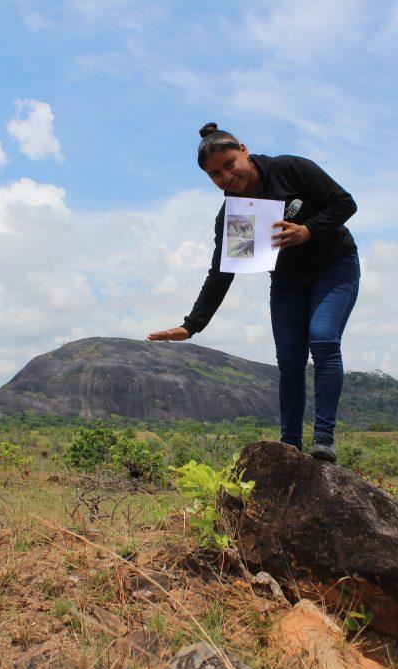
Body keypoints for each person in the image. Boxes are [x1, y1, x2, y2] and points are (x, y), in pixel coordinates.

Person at [148, 123, 360, 462]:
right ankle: (290, 447)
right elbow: (222, 271)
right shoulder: (236, 214)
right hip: (289, 282)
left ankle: (324, 440)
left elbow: (344, 203)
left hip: (334, 267)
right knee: (290, 361)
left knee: (322, 339)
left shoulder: (290, 170)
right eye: (216, 175)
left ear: (244, 151)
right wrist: (191, 325)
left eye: (229, 164)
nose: (226, 177)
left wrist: (307, 230)